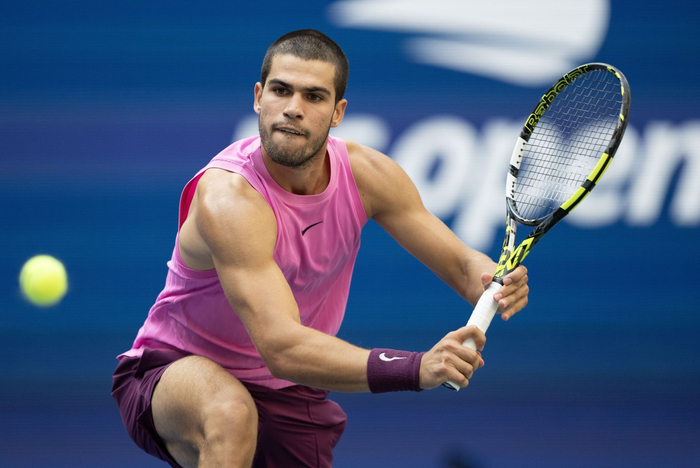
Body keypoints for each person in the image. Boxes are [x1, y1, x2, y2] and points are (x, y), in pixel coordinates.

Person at [112, 29, 529, 468]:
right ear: (258, 97)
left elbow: (463, 265)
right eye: (281, 90)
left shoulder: (368, 175)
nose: (293, 108)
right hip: (175, 370)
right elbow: (281, 347)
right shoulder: (230, 199)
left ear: (337, 112)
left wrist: (491, 282)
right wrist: (416, 366)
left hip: (289, 392)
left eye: (313, 96)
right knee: (230, 413)